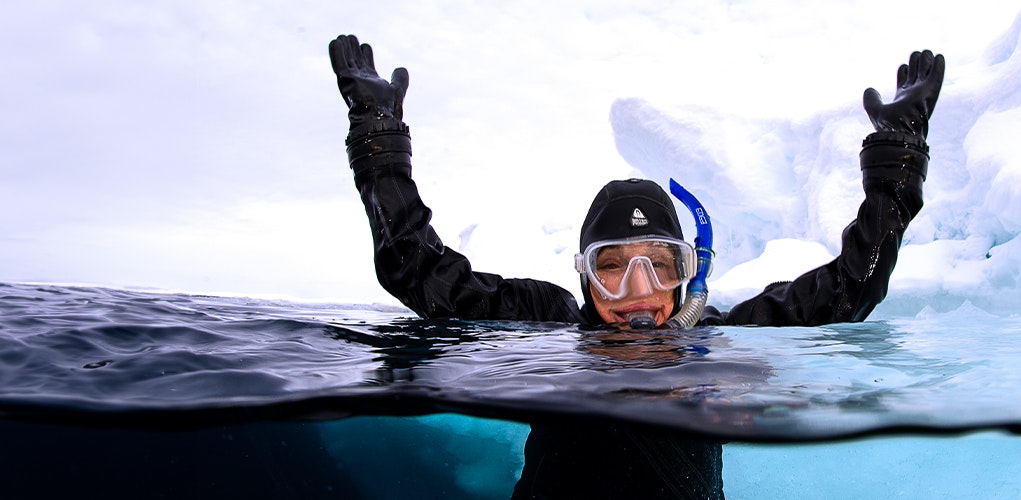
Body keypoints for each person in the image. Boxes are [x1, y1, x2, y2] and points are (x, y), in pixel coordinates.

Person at [329, 34, 943, 499]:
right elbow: (416, 268)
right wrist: (378, 139)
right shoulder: (545, 325)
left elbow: (849, 288)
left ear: (689, 272)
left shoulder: (721, 337)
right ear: (583, 275)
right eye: (613, 268)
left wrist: (896, 168)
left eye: (660, 265)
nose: (639, 293)